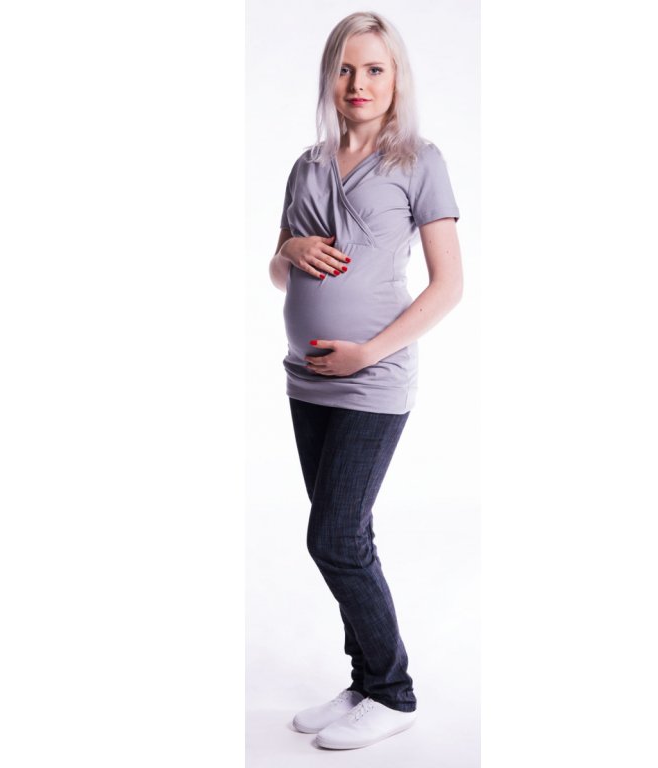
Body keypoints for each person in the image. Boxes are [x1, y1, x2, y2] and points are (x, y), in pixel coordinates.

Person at [267, 11, 463, 751]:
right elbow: (279, 272)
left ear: (395, 78)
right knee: (352, 533)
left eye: (375, 69)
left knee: (334, 537)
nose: (359, 83)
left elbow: (449, 286)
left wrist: (368, 353)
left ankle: (393, 691)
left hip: (372, 382)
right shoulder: (307, 166)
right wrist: (290, 247)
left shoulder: (420, 161)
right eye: (346, 68)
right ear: (330, 77)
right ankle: (363, 681)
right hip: (306, 381)